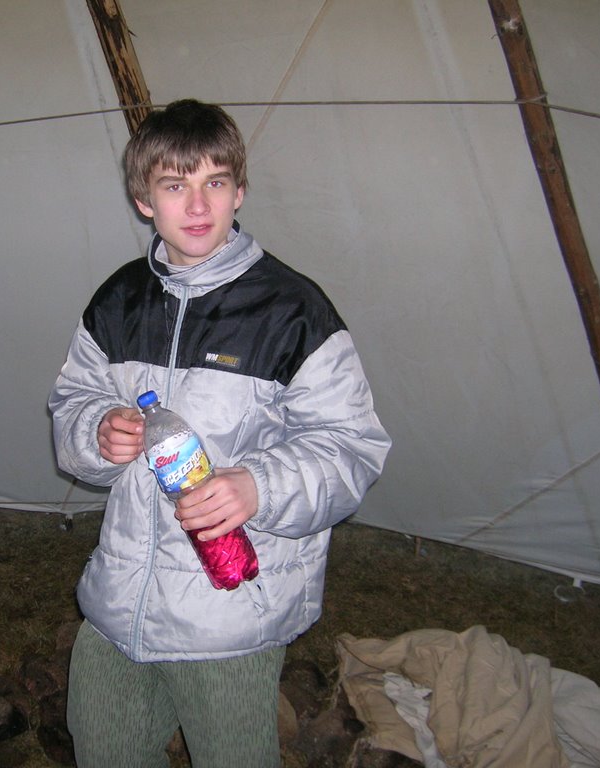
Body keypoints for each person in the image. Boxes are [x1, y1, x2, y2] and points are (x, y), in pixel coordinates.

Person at [48, 99, 392, 767]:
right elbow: (73, 403)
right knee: (105, 753)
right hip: (122, 600)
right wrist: (97, 431)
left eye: (215, 181)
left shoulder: (292, 311)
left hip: (231, 611)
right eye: (174, 185)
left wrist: (258, 486)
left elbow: (351, 448)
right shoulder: (117, 302)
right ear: (144, 201)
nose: (198, 204)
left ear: (240, 191)